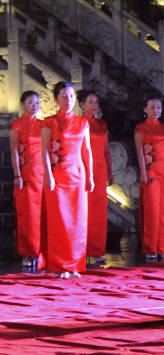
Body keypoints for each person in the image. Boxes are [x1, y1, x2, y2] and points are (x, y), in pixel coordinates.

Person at [39, 81, 94, 278]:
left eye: (71, 96)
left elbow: (86, 150)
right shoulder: (49, 121)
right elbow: (44, 151)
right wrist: (48, 175)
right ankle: (59, 265)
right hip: (58, 176)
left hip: (77, 176)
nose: (68, 100)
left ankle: (73, 264)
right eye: (64, 96)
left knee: (77, 222)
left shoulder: (83, 122)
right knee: (59, 222)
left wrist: (91, 176)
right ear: (56, 99)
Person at [134, 96, 164, 261]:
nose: (156, 110)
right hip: (150, 171)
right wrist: (143, 172)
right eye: (152, 107)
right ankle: (150, 247)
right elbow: (140, 152)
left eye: (158, 107)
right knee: (152, 210)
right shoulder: (140, 129)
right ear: (145, 110)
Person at [77, 90, 113, 265]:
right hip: (82, 170)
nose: (94, 106)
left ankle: (97, 250)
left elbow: (106, 149)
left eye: (96, 102)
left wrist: (110, 170)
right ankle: (81, 249)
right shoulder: (77, 123)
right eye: (90, 102)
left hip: (100, 170)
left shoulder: (101, 125)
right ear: (82, 104)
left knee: (99, 212)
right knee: (82, 211)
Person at [10, 91, 44, 268]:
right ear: (22, 104)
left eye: (37, 103)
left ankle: (40, 252)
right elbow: (14, 151)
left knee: (42, 216)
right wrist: (17, 174)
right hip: (26, 175)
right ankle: (27, 252)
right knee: (27, 216)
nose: (35, 105)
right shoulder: (17, 125)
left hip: (42, 175)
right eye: (31, 102)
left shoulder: (44, 124)